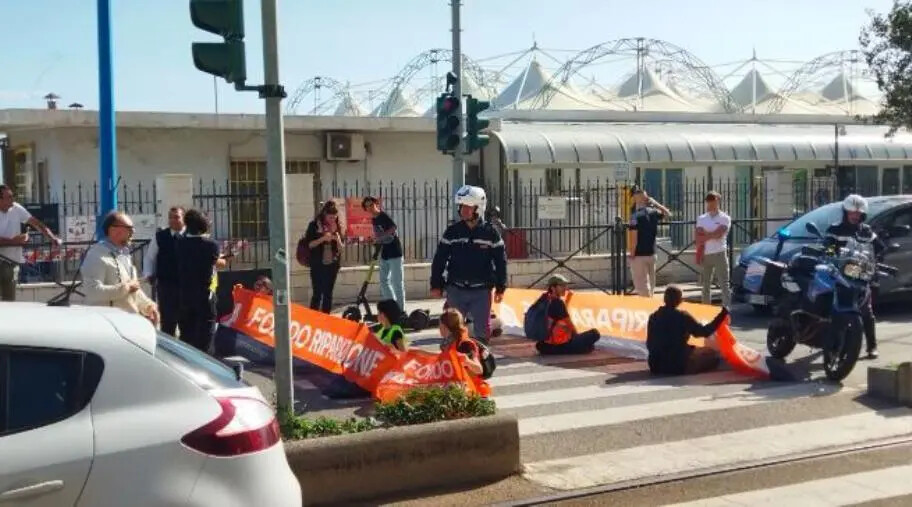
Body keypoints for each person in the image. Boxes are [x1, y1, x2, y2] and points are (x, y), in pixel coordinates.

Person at [430, 185, 507, 343]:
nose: (463, 210)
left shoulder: (491, 233)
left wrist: (501, 287)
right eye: (462, 206)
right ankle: (451, 363)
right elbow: (440, 259)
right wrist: (436, 284)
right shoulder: (452, 232)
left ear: (478, 208)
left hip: (481, 292)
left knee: (481, 334)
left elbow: (501, 261)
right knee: (451, 333)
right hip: (455, 290)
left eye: (468, 207)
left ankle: (479, 363)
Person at [824, 194, 884, 359]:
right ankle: (831, 342)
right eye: (852, 212)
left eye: (858, 213)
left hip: (860, 274)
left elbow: (878, 248)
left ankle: (872, 346)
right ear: (845, 212)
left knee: (867, 311)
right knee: (832, 305)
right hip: (839, 274)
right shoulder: (835, 229)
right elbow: (828, 248)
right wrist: (831, 254)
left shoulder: (866, 231)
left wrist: (878, 259)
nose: (855, 216)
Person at [81, 211, 159, 324]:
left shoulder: (125, 254)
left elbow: (134, 289)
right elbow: (93, 291)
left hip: (127, 321)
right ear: (113, 230)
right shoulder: (96, 255)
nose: (133, 232)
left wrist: (148, 306)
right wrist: (125, 288)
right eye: (129, 228)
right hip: (106, 324)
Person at [647, 286, 729, 376]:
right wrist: (721, 316)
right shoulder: (682, 316)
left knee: (698, 351)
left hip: (655, 365)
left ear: (664, 299)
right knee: (712, 356)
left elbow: (650, 343)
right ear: (679, 300)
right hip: (677, 366)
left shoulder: (653, 317)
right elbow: (703, 332)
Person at [0, 184, 62, 301]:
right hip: (2, 261)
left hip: (13, 262)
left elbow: (35, 223)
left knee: (8, 302)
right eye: (8, 197)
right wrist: (14, 241)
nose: (12, 200)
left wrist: (51, 237)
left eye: (12, 196)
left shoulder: (16, 208)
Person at [176, 209, 226, 352]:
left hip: (185, 296)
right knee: (205, 337)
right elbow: (215, 261)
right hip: (205, 297)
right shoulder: (211, 245)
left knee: (186, 336)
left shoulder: (180, 244)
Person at [142, 206, 185, 335]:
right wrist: (148, 274)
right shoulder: (160, 236)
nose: (172, 220)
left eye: (176, 217)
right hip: (166, 286)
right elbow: (150, 257)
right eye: (170, 217)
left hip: (186, 286)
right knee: (167, 322)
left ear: (184, 218)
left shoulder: (190, 236)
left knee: (186, 322)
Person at [534, 274, 601, 355]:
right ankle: (577, 348)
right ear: (553, 288)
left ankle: (579, 347)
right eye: (562, 286)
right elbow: (569, 325)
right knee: (594, 333)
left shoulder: (544, 300)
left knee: (587, 346)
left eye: (565, 286)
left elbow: (557, 313)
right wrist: (577, 339)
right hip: (560, 344)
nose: (565, 288)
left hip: (544, 345)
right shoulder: (558, 303)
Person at [628, 186, 671, 298]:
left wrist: (632, 253)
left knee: (641, 285)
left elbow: (634, 238)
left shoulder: (634, 217)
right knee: (651, 284)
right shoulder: (653, 212)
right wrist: (656, 203)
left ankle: (647, 307)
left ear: (636, 199)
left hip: (639, 255)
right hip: (652, 253)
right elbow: (667, 214)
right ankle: (651, 303)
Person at [362, 196, 405, 308]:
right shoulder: (374, 219)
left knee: (397, 283)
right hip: (384, 253)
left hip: (394, 252)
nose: (370, 208)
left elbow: (393, 228)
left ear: (376, 204)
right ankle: (392, 306)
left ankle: (400, 310)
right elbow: (379, 236)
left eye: (371, 205)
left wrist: (379, 237)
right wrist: (374, 240)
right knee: (383, 281)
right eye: (367, 206)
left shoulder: (383, 215)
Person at [303, 201, 344, 313]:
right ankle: (313, 318)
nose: (332, 220)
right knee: (317, 293)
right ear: (324, 214)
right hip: (317, 264)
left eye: (335, 217)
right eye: (330, 217)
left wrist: (337, 239)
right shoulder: (314, 225)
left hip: (332, 264)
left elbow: (341, 248)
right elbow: (310, 244)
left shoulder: (337, 226)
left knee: (328, 294)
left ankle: (326, 319)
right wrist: (323, 238)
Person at [696, 191, 732, 307]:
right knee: (705, 284)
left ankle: (726, 309)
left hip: (719, 253)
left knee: (724, 283)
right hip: (705, 253)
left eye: (713, 200)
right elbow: (698, 236)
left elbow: (719, 234)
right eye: (708, 200)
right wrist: (712, 234)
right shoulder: (701, 218)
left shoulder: (724, 218)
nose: (710, 203)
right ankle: (706, 308)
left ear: (718, 201)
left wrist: (707, 234)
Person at [438, 308, 484, 378]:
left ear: (445, 327)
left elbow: (479, 369)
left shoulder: (465, 344)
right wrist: (421, 352)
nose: (439, 328)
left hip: (468, 385)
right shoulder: (447, 342)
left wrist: (468, 361)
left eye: (440, 325)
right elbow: (443, 356)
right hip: (454, 382)